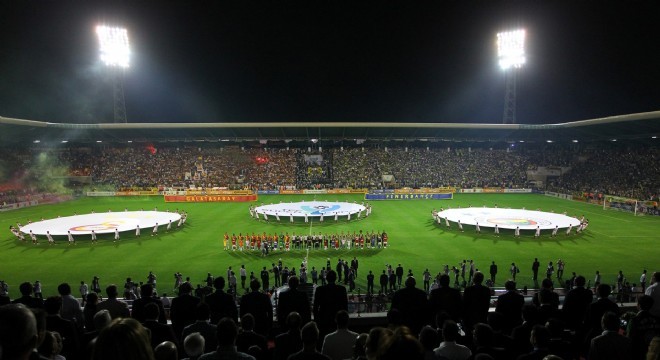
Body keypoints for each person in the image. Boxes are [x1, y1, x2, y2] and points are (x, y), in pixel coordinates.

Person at [313, 270, 348, 338]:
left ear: (326, 278)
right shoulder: (342, 289)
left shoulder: (319, 289)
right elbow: (345, 306)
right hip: (338, 321)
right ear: (336, 278)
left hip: (323, 321)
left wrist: (317, 321)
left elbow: (315, 307)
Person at [462, 271, 490, 338]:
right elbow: (487, 305)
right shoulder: (486, 290)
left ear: (473, 279)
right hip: (482, 317)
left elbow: (464, 305)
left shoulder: (468, 290)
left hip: (469, 318)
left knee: (469, 337)